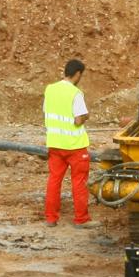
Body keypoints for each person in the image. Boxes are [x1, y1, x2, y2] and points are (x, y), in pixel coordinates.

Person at [43, 59, 95, 228]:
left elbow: (48, 111)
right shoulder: (75, 93)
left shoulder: (50, 90)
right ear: (78, 74)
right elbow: (79, 120)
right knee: (79, 182)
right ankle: (81, 219)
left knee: (54, 181)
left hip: (55, 144)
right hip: (75, 146)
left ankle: (51, 218)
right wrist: (86, 116)